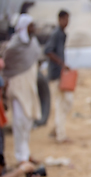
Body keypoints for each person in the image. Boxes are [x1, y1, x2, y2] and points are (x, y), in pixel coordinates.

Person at [2, 14, 42, 163]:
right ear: (24, 27)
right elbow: (6, 68)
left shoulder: (33, 44)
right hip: (17, 87)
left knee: (27, 121)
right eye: (31, 25)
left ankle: (26, 153)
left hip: (30, 87)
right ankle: (20, 157)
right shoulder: (13, 47)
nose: (34, 28)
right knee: (18, 121)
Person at [44, 10, 73, 143]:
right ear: (60, 19)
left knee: (67, 102)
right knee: (60, 103)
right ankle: (60, 135)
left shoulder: (62, 34)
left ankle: (56, 129)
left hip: (61, 74)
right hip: (56, 74)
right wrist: (61, 63)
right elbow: (48, 51)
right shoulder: (56, 34)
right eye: (66, 19)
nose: (67, 22)